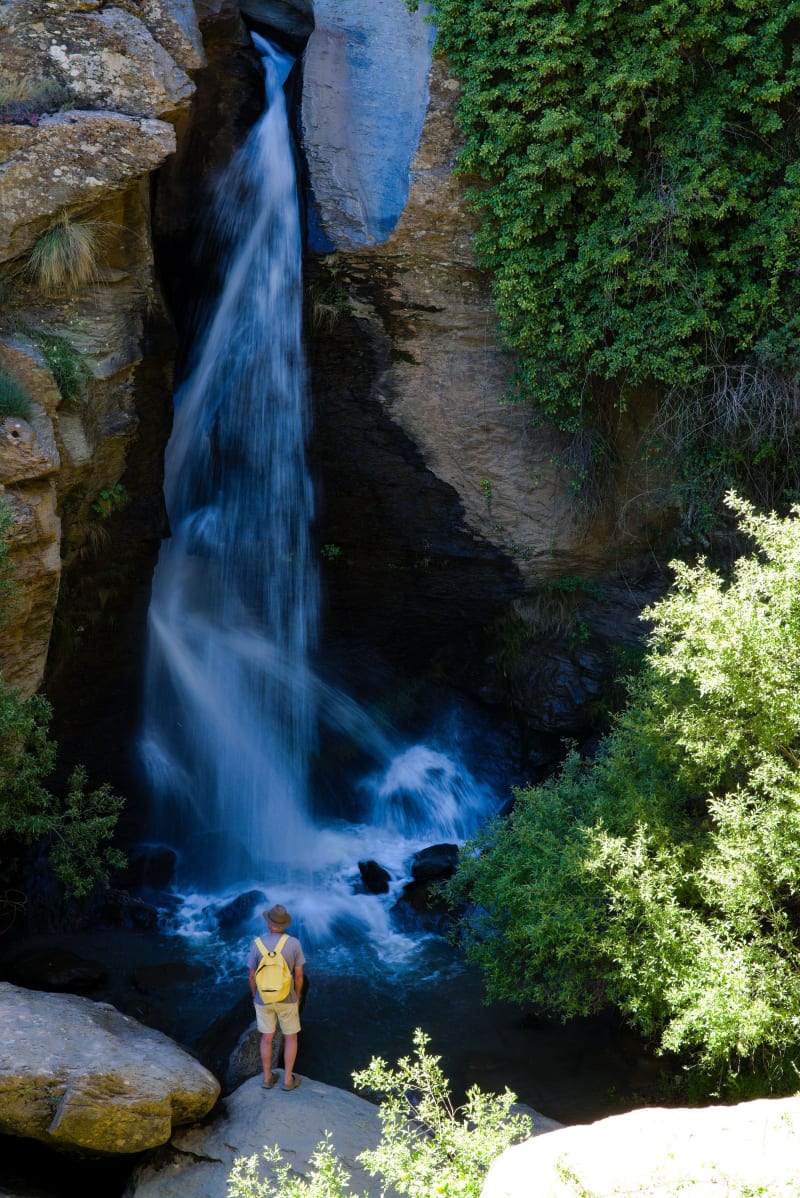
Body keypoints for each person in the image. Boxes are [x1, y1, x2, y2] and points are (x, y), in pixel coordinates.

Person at [247, 903, 306, 1091]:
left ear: (268, 924)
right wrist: (297, 995)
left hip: (263, 999)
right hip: (286, 998)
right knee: (290, 1038)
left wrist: (255, 995)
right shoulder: (294, 943)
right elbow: (298, 975)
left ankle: (267, 1077)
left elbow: (251, 975)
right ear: (284, 925)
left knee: (266, 1038)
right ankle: (288, 1080)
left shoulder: (257, 944)